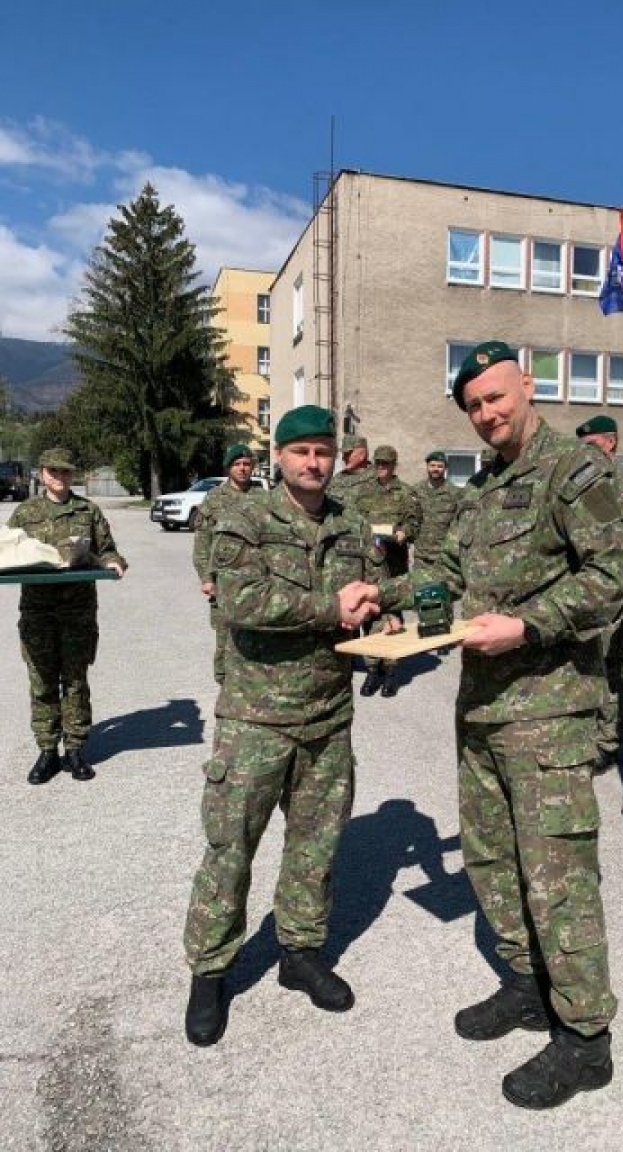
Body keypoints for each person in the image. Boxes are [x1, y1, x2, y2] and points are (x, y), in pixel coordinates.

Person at [345, 341, 623, 1109]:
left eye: (496, 397)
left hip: (548, 712)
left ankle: (586, 1039)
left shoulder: (577, 473)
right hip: (480, 707)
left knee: (558, 878)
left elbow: (611, 578)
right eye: (473, 405)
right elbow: (448, 574)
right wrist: (385, 596)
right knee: (491, 860)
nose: (486, 413)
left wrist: (529, 625)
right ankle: (528, 985)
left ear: (527, 386)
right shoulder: (484, 487)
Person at [183, 405, 393, 1046]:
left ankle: (300, 952)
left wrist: (382, 613)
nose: (314, 462)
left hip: (327, 716)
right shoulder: (244, 518)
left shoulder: (351, 522)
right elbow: (241, 601)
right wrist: (332, 608)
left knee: (316, 845)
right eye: (301, 451)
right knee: (230, 849)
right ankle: (210, 970)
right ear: (279, 457)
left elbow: (376, 586)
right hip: (257, 718)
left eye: (323, 451)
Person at [9, 447, 126, 784]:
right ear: (42, 473)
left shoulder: (87, 510)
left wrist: (113, 562)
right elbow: (7, 548)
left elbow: (108, 549)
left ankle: (75, 749)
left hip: (78, 610)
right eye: (53, 471)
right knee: (42, 680)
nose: (60, 477)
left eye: (65, 472)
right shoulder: (26, 512)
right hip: (38, 610)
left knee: (75, 680)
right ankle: (47, 751)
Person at [575, 415, 623, 774]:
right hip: (581, 594)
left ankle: (606, 741)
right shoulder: (581, 481)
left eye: (591, 444)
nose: (584, 451)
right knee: (583, 670)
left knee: (608, 670)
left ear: (611, 442)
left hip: (615, 596)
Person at [353, 444, 422, 698]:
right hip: (370, 562)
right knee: (369, 613)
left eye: (386, 464)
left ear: (394, 465)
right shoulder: (363, 491)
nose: (381, 468)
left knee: (392, 614)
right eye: (378, 463)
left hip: (393, 562)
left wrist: (405, 533)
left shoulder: (406, 493)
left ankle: (391, 670)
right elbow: (354, 520)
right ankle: (373, 669)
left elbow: (415, 522)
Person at [193, 444, 260, 684]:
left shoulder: (263, 497)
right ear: (229, 468)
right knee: (225, 636)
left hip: (257, 580)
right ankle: (225, 684)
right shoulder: (214, 499)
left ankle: (253, 684)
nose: (242, 469)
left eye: (246, 464)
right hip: (224, 581)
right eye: (237, 464)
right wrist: (206, 578)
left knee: (258, 634)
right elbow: (202, 543)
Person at [412, 450, 461, 576]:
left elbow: (459, 523)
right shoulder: (416, 490)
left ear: (445, 468)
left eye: (440, 466)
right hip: (421, 555)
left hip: (444, 555)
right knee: (419, 586)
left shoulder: (455, 493)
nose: (436, 469)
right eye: (432, 465)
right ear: (427, 466)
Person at [328, 434, 373, 508]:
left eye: (347, 454)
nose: (343, 458)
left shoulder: (379, 479)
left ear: (362, 454)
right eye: (343, 454)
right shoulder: (337, 479)